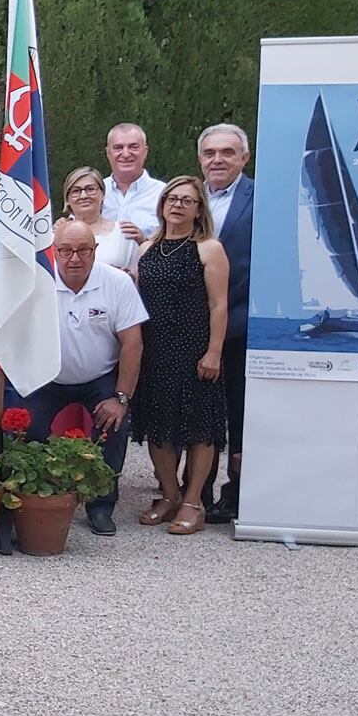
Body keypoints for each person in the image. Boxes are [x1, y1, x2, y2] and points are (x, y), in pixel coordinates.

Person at [23, 219, 146, 536]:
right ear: (54, 250)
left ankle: (101, 506)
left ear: (96, 250)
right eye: (66, 250)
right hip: (47, 376)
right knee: (25, 427)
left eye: (84, 250)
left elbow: (133, 342)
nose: (75, 258)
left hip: (100, 375)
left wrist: (120, 399)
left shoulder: (117, 282)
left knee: (115, 426)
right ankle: (31, 498)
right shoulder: (36, 280)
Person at [132, 175, 229, 537]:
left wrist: (214, 352)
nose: (177, 205)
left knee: (200, 427)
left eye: (187, 200)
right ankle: (170, 493)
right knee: (158, 425)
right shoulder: (146, 249)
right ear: (162, 205)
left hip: (194, 349)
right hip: (154, 348)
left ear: (199, 208)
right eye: (172, 198)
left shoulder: (208, 249)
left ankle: (193, 502)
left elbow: (219, 305)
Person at [199, 123, 254, 524]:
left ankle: (235, 495)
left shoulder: (262, 198)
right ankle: (195, 493)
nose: (218, 160)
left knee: (238, 413)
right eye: (210, 153)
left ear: (244, 158)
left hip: (239, 324)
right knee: (198, 412)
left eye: (227, 153)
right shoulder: (186, 196)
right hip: (189, 326)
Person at [59, 166, 139, 275]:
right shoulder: (56, 236)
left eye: (90, 189)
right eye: (76, 191)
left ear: (103, 194)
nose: (83, 196)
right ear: (67, 199)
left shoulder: (124, 234)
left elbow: (136, 279)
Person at [102, 123, 165, 240]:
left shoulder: (164, 194)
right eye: (118, 148)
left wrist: (145, 242)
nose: (125, 154)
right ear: (108, 153)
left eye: (133, 147)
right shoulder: (92, 192)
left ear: (145, 151)